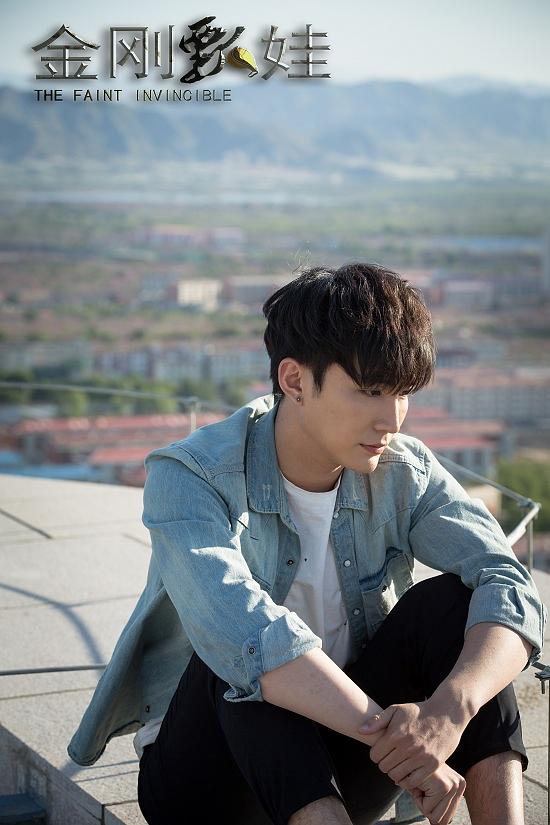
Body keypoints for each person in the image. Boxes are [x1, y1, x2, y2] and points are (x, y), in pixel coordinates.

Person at [67, 263, 546, 825]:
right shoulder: (192, 477)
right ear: (294, 381)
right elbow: (248, 640)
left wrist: (448, 714)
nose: (391, 419)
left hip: (346, 755)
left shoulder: (403, 472)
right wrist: (399, 740)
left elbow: (508, 582)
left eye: (402, 394)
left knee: (458, 605)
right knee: (242, 657)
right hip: (208, 780)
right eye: (370, 391)